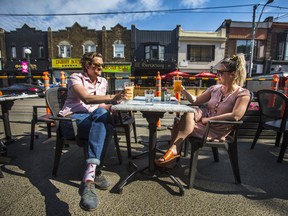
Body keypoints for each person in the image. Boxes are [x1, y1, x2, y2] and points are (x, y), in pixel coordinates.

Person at [155, 53, 251, 168]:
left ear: (233, 74)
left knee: (179, 123)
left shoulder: (243, 93)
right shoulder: (215, 89)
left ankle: (171, 157)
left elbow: (236, 116)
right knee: (189, 111)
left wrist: (208, 120)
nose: (217, 75)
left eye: (220, 72)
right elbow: (196, 101)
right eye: (217, 72)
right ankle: (173, 151)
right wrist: (183, 90)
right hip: (203, 122)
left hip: (216, 130)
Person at [59, 52, 122, 211]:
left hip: (92, 119)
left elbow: (99, 107)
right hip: (72, 120)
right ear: (87, 65)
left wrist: (114, 105)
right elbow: (86, 99)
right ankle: (96, 173)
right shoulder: (75, 77)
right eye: (97, 65)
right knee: (103, 121)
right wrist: (111, 97)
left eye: (102, 65)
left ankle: (89, 176)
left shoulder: (103, 81)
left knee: (105, 121)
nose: (101, 67)